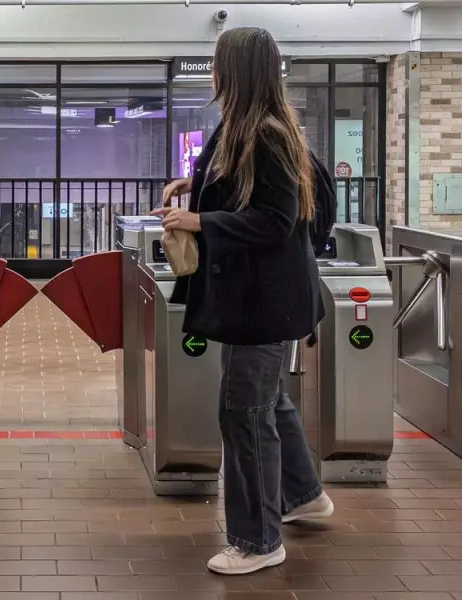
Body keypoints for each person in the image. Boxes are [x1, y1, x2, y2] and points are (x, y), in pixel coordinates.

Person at [152, 27, 334, 576]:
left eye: (216, 62)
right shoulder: (242, 126)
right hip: (257, 301)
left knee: (243, 413)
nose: (210, 71)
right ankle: (304, 495)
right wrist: (194, 185)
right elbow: (244, 189)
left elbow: (276, 219)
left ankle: (258, 541)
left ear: (235, 70)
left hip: (266, 303)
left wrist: (199, 219)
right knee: (266, 400)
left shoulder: (269, 134)